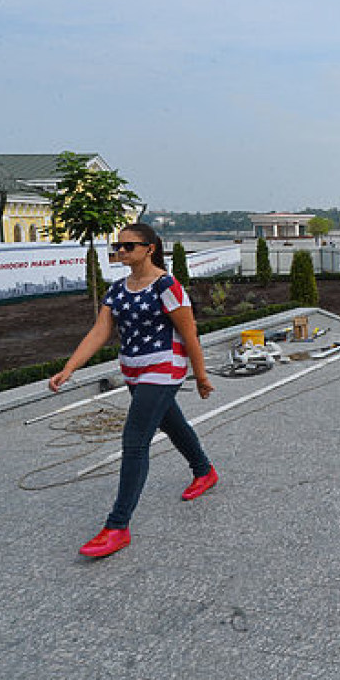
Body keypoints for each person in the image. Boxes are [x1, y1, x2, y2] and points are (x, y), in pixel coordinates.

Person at [49, 224, 217, 558]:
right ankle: (204, 471)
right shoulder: (116, 290)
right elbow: (99, 332)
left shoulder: (168, 286)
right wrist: (70, 368)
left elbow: (190, 334)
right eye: (118, 246)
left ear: (150, 248)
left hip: (164, 368)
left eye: (128, 246)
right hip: (134, 370)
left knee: (135, 441)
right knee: (172, 424)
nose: (121, 252)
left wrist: (200, 376)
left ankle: (117, 526)